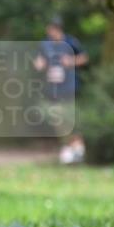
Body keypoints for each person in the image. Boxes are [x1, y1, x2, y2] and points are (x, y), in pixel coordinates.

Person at [33, 14, 88, 164]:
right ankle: (68, 149)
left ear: (58, 29)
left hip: (69, 87)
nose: (51, 32)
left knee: (70, 118)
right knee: (58, 119)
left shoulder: (71, 42)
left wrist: (71, 61)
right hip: (53, 88)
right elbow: (38, 61)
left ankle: (77, 149)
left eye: (53, 29)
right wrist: (40, 65)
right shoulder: (45, 44)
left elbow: (84, 57)